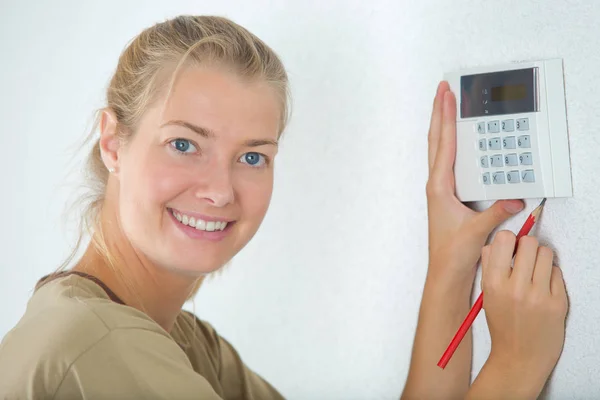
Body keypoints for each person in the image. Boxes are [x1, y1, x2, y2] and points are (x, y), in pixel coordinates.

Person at [0, 15, 568, 399]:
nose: (220, 190)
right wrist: (515, 366)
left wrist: (448, 260)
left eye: (252, 157)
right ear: (112, 142)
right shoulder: (100, 348)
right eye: (184, 144)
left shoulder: (177, 342)